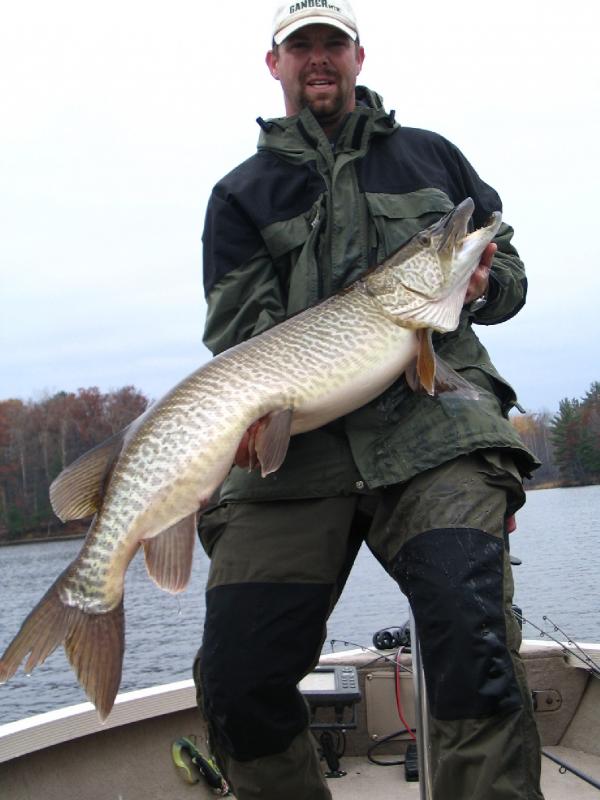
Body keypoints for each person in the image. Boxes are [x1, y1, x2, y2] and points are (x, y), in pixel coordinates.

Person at [193, 2, 545, 798]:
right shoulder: (239, 195)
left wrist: (483, 283)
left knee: (471, 642)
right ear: (275, 64)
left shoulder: (430, 155)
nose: (319, 59)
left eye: (333, 44)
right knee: (238, 683)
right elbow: (240, 331)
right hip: (294, 455)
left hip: (436, 429)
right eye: (301, 46)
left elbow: (507, 265)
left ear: (358, 55)